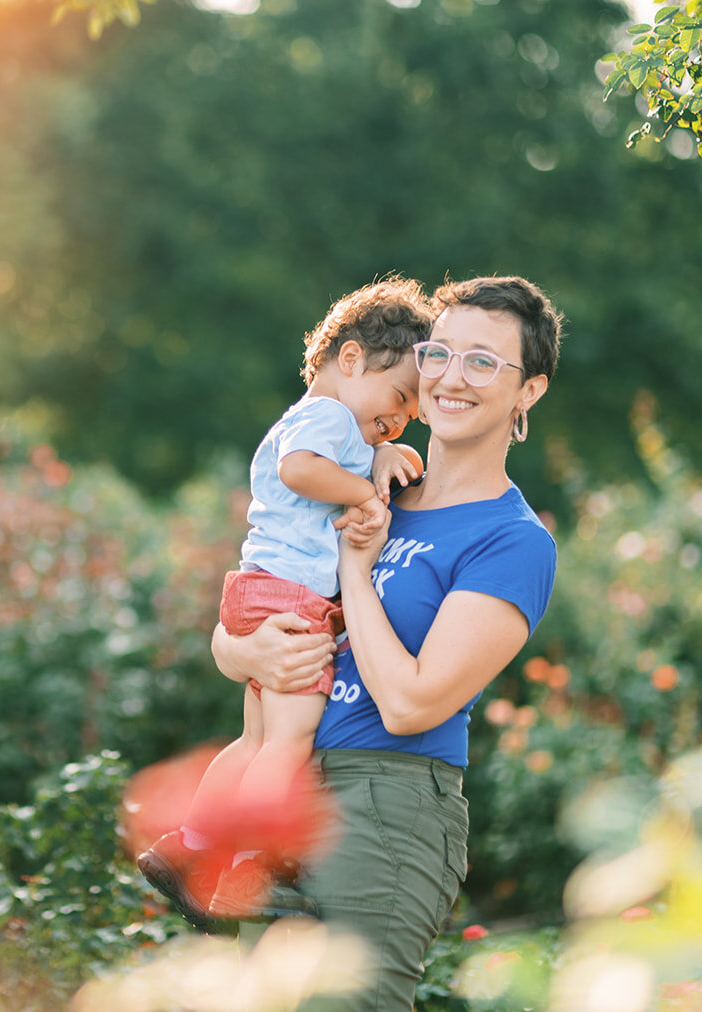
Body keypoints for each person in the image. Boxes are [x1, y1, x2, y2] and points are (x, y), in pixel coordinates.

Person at [211, 275, 562, 1009]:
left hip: (387, 805)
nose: (449, 378)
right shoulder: (371, 489)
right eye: (440, 353)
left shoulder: (511, 541)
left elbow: (410, 702)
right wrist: (243, 654)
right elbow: (254, 609)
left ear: (527, 391)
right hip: (289, 784)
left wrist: (356, 571)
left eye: (483, 362)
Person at [136, 278, 435, 930]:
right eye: (397, 398)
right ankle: (249, 863)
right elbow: (303, 470)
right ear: (350, 359)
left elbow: (326, 459)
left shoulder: (326, 423)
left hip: (256, 593)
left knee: (253, 740)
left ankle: (184, 845)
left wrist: (381, 449)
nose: (400, 417)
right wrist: (364, 491)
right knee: (288, 744)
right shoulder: (326, 420)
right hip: (294, 603)